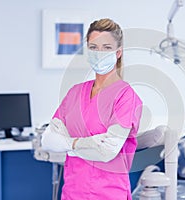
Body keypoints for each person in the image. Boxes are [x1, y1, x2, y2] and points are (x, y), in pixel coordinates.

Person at [41, 18, 143, 200]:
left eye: (106, 47)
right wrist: (87, 144)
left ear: (118, 53)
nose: (99, 53)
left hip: (108, 193)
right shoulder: (75, 92)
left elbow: (107, 151)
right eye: (93, 47)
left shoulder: (125, 96)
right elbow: (48, 140)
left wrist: (68, 143)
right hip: (72, 192)